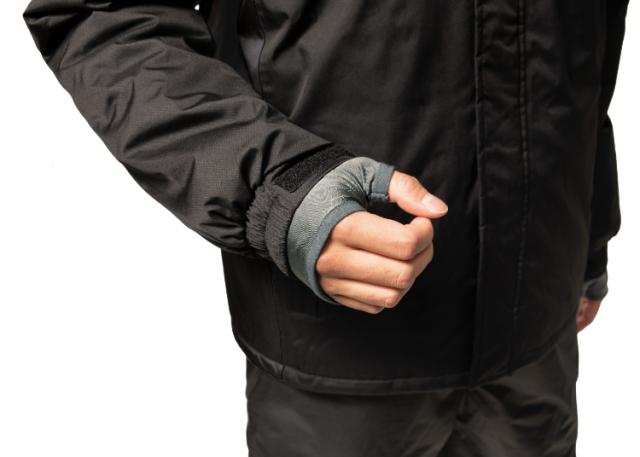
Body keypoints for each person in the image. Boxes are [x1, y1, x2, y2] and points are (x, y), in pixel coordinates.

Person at [22, 1, 629, 455]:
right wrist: (281, 188)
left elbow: (594, 44)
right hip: (338, 351)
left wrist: (590, 241)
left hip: (536, 326)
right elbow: (104, 13)